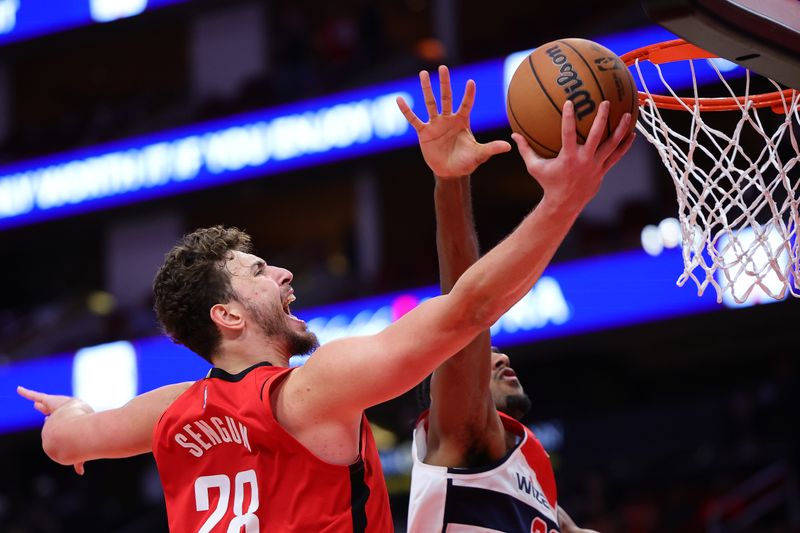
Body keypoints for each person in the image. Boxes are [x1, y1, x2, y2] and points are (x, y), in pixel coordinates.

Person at [18, 64, 633, 532]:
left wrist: (69, 413)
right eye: (259, 270)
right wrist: (564, 199)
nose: (285, 274)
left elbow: (65, 441)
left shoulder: (167, 413)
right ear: (227, 315)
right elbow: (470, 311)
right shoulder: (312, 392)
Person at [402, 65, 610, 532]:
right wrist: (450, 181)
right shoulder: (456, 431)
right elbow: (465, 307)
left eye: (493, 353)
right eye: (483, 358)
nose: (499, 357)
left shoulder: (526, 466)